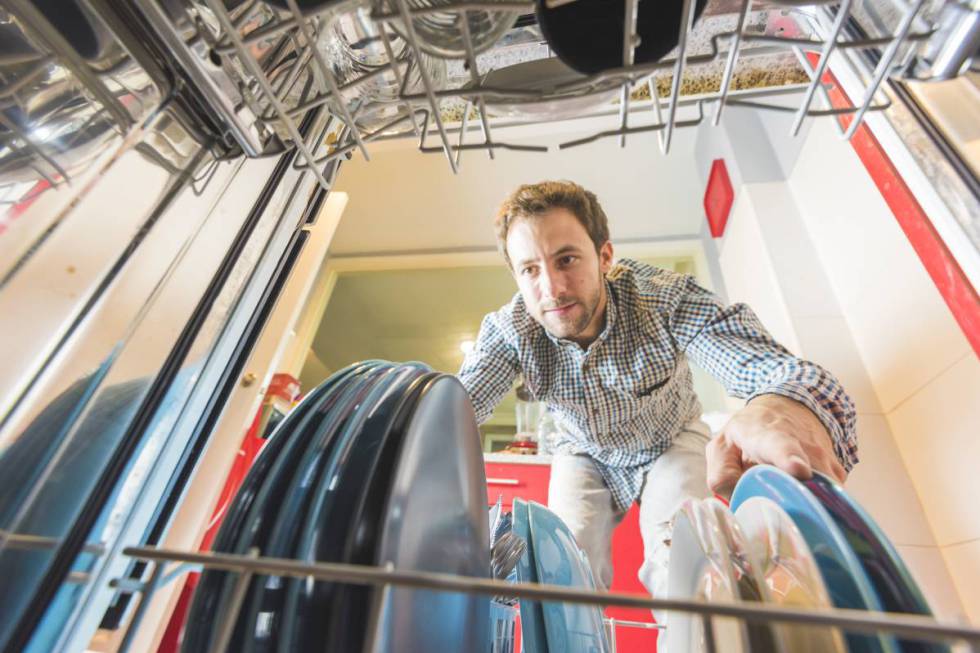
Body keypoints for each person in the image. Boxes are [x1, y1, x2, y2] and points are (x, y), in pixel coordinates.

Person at [457, 180, 857, 610]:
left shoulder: (663, 298)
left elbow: (767, 367)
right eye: (530, 270)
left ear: (605, 256)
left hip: (672, 439)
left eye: (567, 259)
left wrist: (777, 405)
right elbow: (453, 407)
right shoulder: (511, 329)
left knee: (685, 563)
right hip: (583, 451)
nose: (551, 289)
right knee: (563, 573)